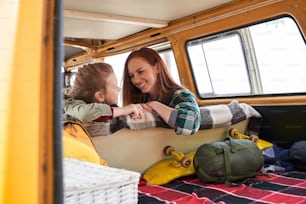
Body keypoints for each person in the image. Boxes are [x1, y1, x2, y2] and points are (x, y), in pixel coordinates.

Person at [122, 47, 201, 135]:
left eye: (140, 72)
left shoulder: (181, 95)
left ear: (157, 68)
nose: (136, 80)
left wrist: (155, 105)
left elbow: (192, 124)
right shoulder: (140, 100)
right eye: (131, 76)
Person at [64, 62, 143, 122]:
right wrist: (124, 110)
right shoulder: (69, 104)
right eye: (114, 86)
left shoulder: (108, 107)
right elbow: (85, 114)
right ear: (100, 96)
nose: (118, 89)